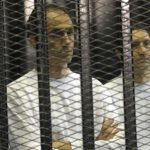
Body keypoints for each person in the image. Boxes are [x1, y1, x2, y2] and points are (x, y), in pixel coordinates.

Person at [7, 4, 124, 150]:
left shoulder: (94, 88)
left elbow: (119, 143)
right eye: (57, 34)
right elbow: (28, 148)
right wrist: (96, 142)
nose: (67, 41)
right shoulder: (16, 93)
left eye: (70, 32)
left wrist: (62, 146)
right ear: (34, 40)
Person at [105, 28, 150, 149]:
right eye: (134, 45)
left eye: (146, 43)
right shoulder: (106, 93)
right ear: (120, 54)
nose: (142, 51)